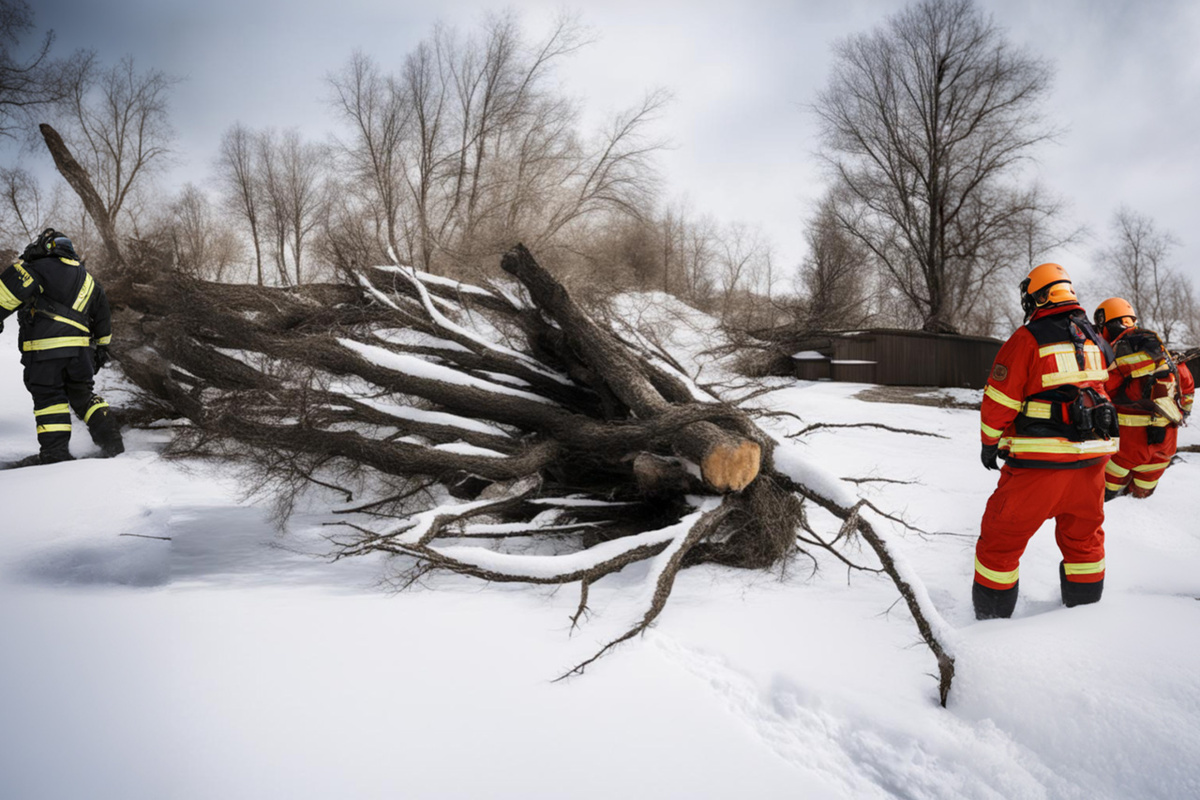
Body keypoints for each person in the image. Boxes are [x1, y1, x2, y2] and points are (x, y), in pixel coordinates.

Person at [974, 263, 1119, 619]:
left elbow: (1000, 401)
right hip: (1092, 465)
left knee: (1000, 542)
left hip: (1040, 466)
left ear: (1038, 296)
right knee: (1083, 541)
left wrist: (989, 443)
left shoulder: (1027, 339)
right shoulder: (1096, 339)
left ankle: (990, 625)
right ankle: (1085, 616)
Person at [0, 227, 123, 464]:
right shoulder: (89, 279)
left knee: (49, 400)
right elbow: (103, 320)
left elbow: (4, 296)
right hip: (81, 353)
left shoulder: (33, 269)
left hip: (45, 351)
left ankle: (55, 456)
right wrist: (101, 349)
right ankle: (113, 444)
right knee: (83, 396)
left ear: (46, 248)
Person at [1093, 297, 1194, 500]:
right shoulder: (1165, 356)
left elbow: (1102, 392)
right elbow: (1187, 388)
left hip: (1125, 450)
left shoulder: (1113, 358)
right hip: (1164, 448)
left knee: (1108, 496)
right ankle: (1140, 496)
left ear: (1106, 324)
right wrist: (1182, 412)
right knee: (1142, 495)